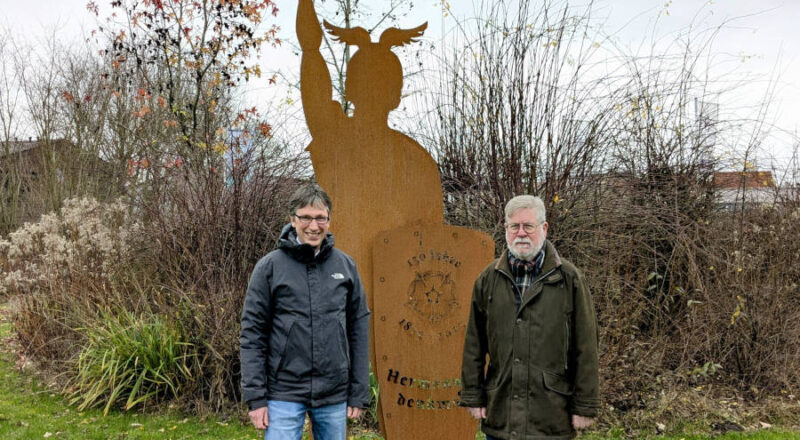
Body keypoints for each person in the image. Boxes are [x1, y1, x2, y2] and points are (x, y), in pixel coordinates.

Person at [460, 195, 600, 439]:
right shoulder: (488, 280)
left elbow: (586, 346)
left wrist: (585, 405)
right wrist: (473, 396)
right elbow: (474, 343)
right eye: (514, 226)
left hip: (551, 416)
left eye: (528, 226)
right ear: (505, 229)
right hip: (500, 412)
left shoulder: (568, 279)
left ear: (544, 228)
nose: (521, 233)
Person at [240, 184, 371, 440]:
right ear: (293, 220)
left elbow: (359, 328)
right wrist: (256, 398)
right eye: (306, 218)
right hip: (283, 391)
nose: (314, 226)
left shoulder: (345, 266)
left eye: (320, 218)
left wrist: (358, 390)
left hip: (333, 391)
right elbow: (252, 334)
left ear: (329, 220)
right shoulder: (270, 267)